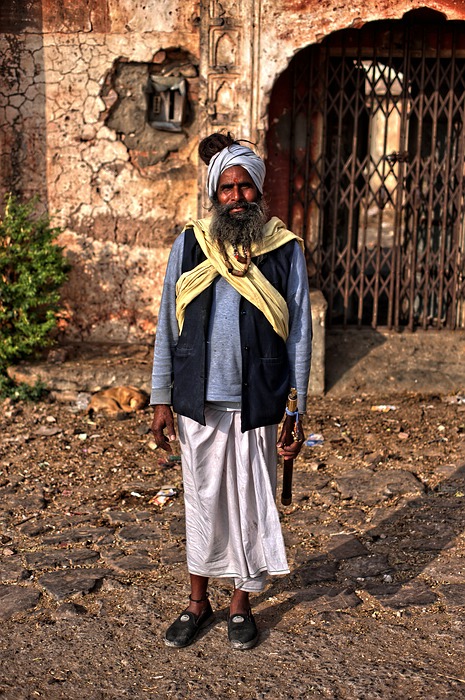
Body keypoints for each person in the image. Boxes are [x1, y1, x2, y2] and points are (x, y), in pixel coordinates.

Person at [150, 132, 312, 650]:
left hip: (259, 399)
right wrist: (159, 397)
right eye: (227, 187)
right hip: (198, 398)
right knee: (201, 502)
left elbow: (301, 332)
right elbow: (166, 326)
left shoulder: (283, 250)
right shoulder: (191, 242)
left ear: (258, 191)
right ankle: (198, 602)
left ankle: (241, 602)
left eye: (245, 187)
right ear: (214, 192)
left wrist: (297, 407)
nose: (237, 197)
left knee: (248, 503)